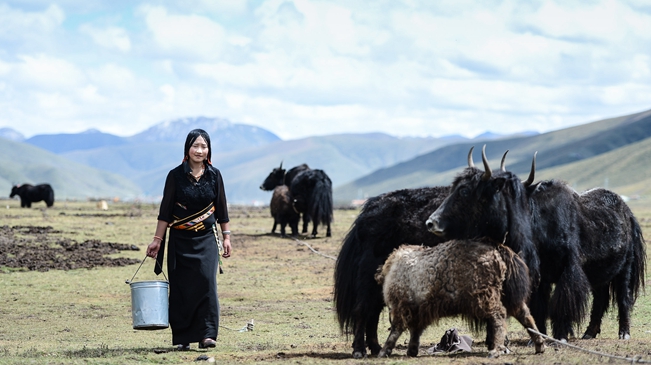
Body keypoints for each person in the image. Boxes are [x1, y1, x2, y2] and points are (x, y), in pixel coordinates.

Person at [146, 128, 232, 350]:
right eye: (196, 145)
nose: (200, 150)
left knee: (207, 283)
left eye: (204, 146)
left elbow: (221, 207)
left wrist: (227, 237)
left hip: (206, 240)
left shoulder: (215, 175)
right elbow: (165, 211)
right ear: (187, 148)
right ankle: (183, 337)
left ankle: (207, 334)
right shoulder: (175, 176)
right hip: (179, 240)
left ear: (209, 150)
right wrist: (157, 239)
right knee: (181, 287)